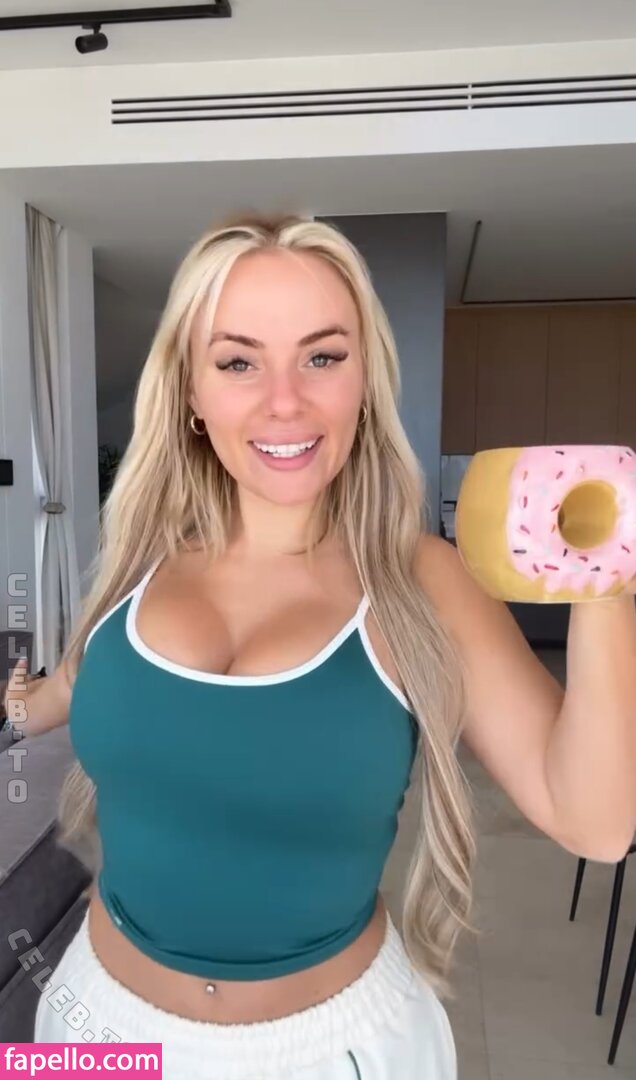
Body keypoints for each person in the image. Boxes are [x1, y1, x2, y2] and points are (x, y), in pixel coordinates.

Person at [5, 213, 635, 1079]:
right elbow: (74, 684)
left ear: (364, 380)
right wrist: (20, 703)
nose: (285, 401)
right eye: (238, 362)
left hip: (330, 1049)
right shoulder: (139, 557)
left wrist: (606, 575)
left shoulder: (420, 579)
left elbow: (597, 823)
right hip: (93, 1021)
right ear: (190, 392)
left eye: (323, 357)